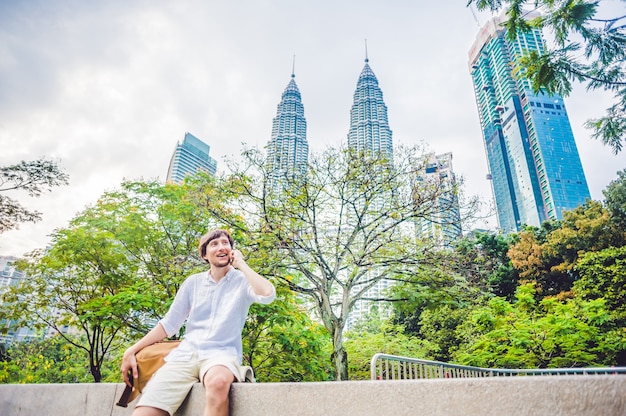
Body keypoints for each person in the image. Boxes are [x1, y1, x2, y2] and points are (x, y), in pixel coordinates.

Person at [120, 229, 276, 416]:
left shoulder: (242, 281)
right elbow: (169, 324)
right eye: (214, 244)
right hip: (185, 356)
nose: (222, 247)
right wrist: (132, 350)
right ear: (204, 254)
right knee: (144, 412)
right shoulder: (193, 283)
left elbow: (267, 294)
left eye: (225, 243)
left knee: (218, 383)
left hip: (221, 355)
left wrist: (242, 264)